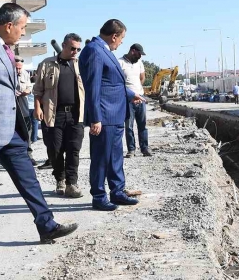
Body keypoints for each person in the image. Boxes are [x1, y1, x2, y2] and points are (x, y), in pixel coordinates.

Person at [0, 3, 77, 263]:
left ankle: (46, 225)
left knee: (28, 179)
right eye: (22, 27)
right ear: (9, 25)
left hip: (8, 131)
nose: (23, 32)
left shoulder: (4, 47)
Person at [80, 19, 144, 211]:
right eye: (122, 38)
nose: (122, 42)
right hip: (104, 116)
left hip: (115, 115)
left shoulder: (105, 51)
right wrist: (95, 117)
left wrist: (131, 95)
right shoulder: (94, 50)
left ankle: (117, 191)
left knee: (115, 157)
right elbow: (93, 86)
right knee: (101, 158)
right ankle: (99, 196)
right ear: (114, 36)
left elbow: (113, 83)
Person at [33, 33, 86, 198]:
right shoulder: (47, 64)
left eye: (78, 49)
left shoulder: (80, 65)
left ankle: (72, 183)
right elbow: (38, 90)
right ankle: (60, 179)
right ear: (63, 46)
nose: (75, 52)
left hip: (76, 115)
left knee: (74, 150)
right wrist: (37, 108)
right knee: (54, 149)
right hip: (53, 114)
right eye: (72, 48)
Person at [119, 43, 152, 158]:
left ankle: (144, 149)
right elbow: (119, 82)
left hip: (140, 98)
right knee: (129, 126)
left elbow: (142, 78)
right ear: (133, 51)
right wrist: (131, 95)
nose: (140, 56)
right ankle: (131, 149)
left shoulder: (139, 63)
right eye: (139, 54)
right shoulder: (120, 63)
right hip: (128, 100)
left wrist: (138, 93)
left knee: (142, 125)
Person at [15, 58, 38, 166]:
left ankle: (29, 156)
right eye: (16, 68)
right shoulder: (7, 74)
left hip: (23, 110)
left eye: (20, 68)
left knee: (27, 133)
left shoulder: (25, 74)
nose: (18, 70)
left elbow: (29, 87)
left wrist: (27, 91)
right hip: (10, 111)